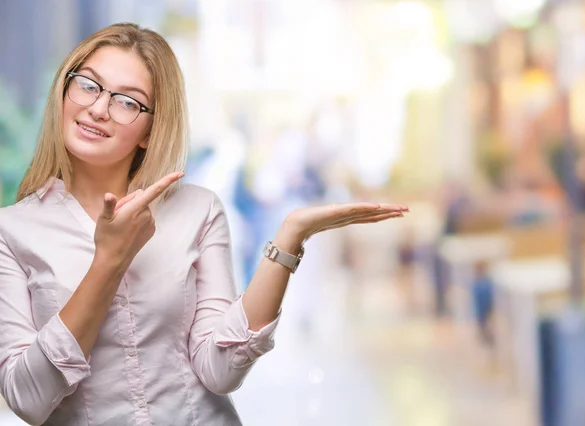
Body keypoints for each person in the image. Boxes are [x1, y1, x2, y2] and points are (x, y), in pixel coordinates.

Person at [0, 23, 408, 426]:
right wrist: (108, 260)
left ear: (149, 130)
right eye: (88, 85)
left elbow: (220, 370)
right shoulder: (13, 232)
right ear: (64, 90)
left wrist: (290, 236)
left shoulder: (198, 210)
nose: (99, 108)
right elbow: (27, 400)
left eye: (128, 101)